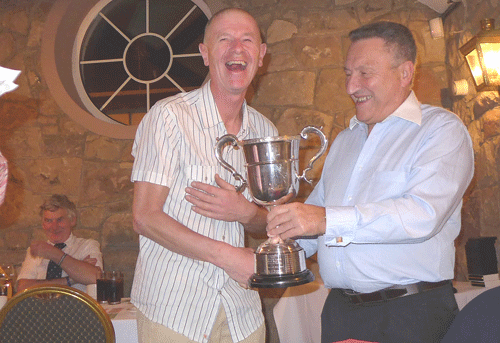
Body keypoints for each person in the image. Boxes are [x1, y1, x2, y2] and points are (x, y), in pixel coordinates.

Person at [266, 21, 474, 343]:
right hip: (339, 312)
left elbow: (422, 214)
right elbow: (313, 225)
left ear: (405, 74)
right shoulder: (345, 141)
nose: (351, 86)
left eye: (365, 73)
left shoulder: (441, 130)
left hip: (410, 314)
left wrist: (323, 219)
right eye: (348, 73)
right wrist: (272, 242)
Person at [130, 7, 277, 343]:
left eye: (247, 40)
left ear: (262, 54)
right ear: (205, 53)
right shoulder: (168, 117)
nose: (237, 48)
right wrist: (229, 256)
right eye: (224, 39)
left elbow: (267, 222)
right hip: (174, 311)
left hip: (242, 311)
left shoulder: (265, 130)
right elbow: (144, 217)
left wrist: (246, 212)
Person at [17, 194, 103, 293]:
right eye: (49, 221)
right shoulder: (36, 251)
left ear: (72, 220)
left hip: (76, 308)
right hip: (41, 307)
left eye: (60, 220)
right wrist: (71, 279)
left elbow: (95, 277)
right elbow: (22, 289)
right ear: (43, 224)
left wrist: (53, 253)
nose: (54, 227)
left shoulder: (87, 245)